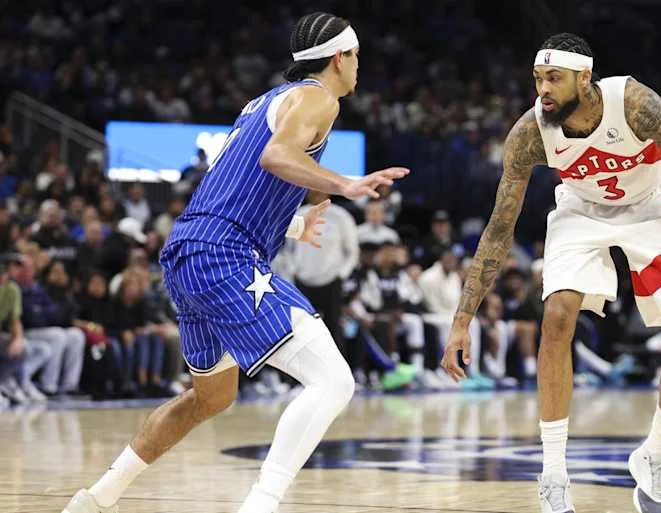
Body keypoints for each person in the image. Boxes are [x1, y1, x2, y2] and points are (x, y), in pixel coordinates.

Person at [62, 12, 408, 513]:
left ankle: (96, 498)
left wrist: (292, 224)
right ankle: (260, 507)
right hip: (223, 254)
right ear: (339, 57)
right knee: (334, 381)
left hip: (187, 253)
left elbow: (237, 182)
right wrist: (348, 184)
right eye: (356, 57)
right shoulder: (318, 97)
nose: (360, 68)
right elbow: (275, 157)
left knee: (210, 398)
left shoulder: (262, 102)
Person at [440, 33, 661, 513]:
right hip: (581, 211)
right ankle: (554, 473)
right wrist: (461, 320)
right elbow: (499, 229)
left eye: (554, 78)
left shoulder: (637, 105)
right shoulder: (530, 133)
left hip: (651, 207)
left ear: (585, 77)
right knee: (558, 315)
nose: (543, 89)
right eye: (538, 78)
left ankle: (655, 454)